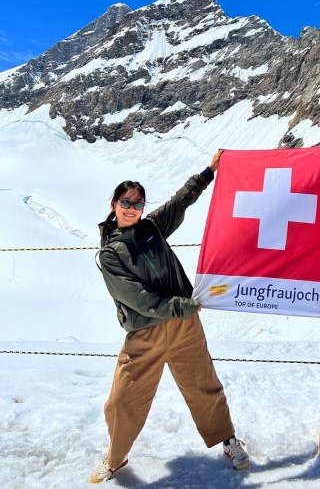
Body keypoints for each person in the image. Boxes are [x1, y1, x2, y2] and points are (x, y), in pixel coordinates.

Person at [90, 150, 250, 484]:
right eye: (126, 202)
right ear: (114, 205)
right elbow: (136, 298)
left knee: (203, 385)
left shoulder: (152, 228)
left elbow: (180, 202)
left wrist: (209, 172)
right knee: (122, 399)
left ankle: (229, 441)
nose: (132, 209)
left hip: (183, 328)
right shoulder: (109, 254)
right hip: (145, 334)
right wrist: (181, 305)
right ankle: (115, 458)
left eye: (138, 204)